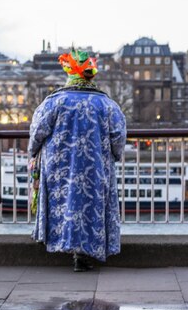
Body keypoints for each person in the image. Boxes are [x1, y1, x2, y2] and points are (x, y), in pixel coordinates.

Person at [28, 49, 127, 272]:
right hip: (96, 167)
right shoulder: (107, 105)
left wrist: (33, 151)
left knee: (63, 203)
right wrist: (114, 155)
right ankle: (84, 253)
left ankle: (61, 243)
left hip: (58, 166)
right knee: (91, 205)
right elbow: (118, 138)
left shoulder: (53, 102)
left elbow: (37, 132)